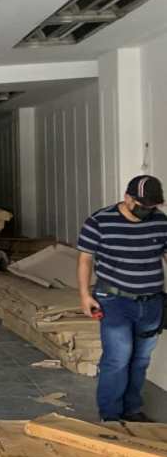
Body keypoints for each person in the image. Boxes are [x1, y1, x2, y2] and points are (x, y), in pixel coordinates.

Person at [77, 175, 167, 423]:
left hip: (151, 302)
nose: (147, 211)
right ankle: (111, 415)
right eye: (142, 205)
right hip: (114, 299)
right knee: (118, 357)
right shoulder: (99, 221)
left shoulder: (161, 221)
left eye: (152, 206)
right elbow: (85, 258)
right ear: (128, 198)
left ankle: (132, 410)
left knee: (140, 359)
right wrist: (85, 295)